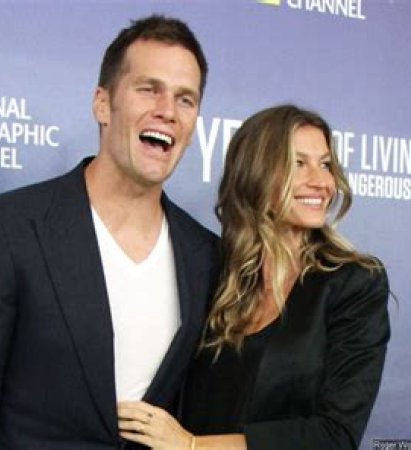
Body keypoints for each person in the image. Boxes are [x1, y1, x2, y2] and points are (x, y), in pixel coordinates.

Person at [0, 15, 219, 449]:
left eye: (185, 99)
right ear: (102, 103)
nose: (167, 111)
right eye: (148, 89)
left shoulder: (205, 255)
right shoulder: (6, 230)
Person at [117, 104, 391, 450]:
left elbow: (335, 436)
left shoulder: (354, 285)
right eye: (298, 164)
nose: (321, 182)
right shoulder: (214, 273)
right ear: (256, 172)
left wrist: (193, 446)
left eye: (325, 164)